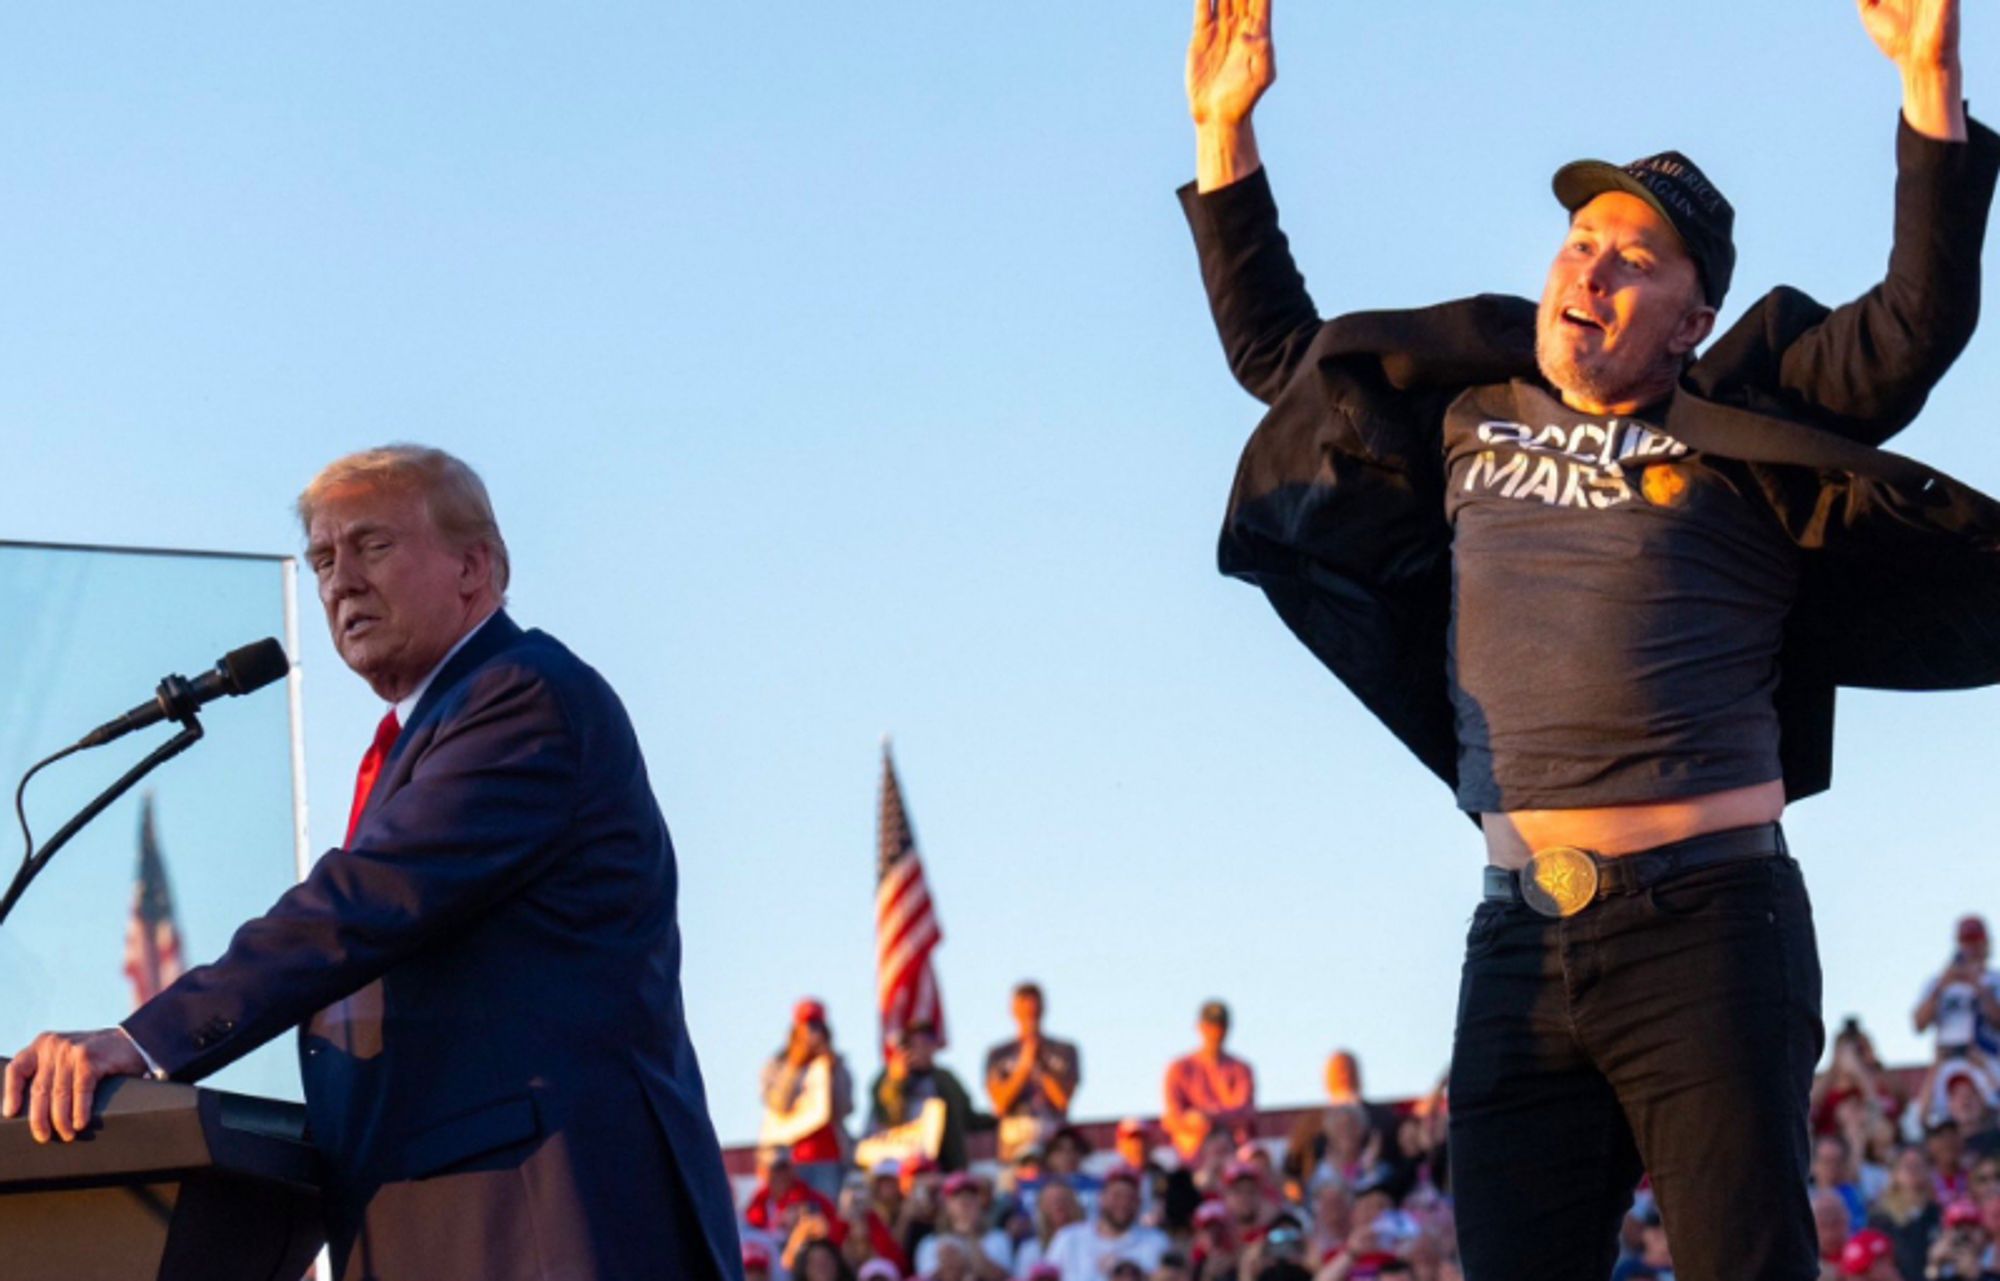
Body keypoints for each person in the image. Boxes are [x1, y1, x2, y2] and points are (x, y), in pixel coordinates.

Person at [1181, 0, 1999, 1275]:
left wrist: (1929, 88)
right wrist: (1224, 136)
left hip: (1709, 926)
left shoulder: (1737, 414)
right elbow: (1290, 363)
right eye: (1579, 241)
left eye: (1635, 257)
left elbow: (1911, 325)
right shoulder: (1469, 404)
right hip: (1515, 939)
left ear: (1687, 317)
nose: (1592, 268)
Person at [0, 445, 740, 1279]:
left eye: (372, 546)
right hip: (426, 1219)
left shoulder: (526, 696)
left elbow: (363, 903)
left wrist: (145, 1039)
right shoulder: (426, 735)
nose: (339, 580)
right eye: (322, 558)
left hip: (544, 1221)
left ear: (476, 566)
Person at [763, 997, 856, 1200]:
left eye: (816, 1027)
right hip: (789, 1157)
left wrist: (832, 1072)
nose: (812, 1034)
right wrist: (795, 1066)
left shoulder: (836, 1064)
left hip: (828, 1156)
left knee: (826, 1210)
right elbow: (777, 1103)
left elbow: (846, 1108)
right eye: (806, 1027)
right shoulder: (777, 1064)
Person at [867, 1017, 987, 1172]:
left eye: (927, 1043)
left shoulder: (946, 1079)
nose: (923, 1049)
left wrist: (998, 1119)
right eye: (916, 1044)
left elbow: (968, 1118)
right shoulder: (887, 1078)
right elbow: (889, 1117)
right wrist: (896, 1082)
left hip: (944, 1166)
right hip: (901, 1165)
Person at [985, 980, 1083, 1161]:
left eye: (1034, 1009)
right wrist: (1024, 1065)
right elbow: (999, 1104)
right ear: (1014, 1010)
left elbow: (1063, 1100)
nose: (1030, 1015)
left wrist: (1040, 1065)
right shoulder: (998, 1053)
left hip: (1053, 1133)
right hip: (1014, 1137)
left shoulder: (1065, 1050)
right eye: (1024, 1010)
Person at [1163, 1000, 1257, 1162]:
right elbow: (1173, 1117)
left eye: (1221, 1026)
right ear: (1200, 1027)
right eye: (1211, 1026)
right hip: (1193, 1155)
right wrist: (1196, 1121)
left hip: (1233, 1154)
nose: (1216, 1032)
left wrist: (1210, 1116)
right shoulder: (1179, 1068)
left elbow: (1245, 1112)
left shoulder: (1241, 1069)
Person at [1042, 1165, 1171, 1281]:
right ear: (1101, 1198)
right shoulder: (1069, 1238)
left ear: (1138, 1203)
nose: (1123, 1203)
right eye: (1117, 1196)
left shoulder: (1156, 1242)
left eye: (1130, 1197)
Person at [1916, 916, 2000, 1059]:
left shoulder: (1995, 980)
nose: (1972, 948)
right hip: (1949, 1061)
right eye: (1966, 942)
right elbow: (1919, 1024)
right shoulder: (1939, 981)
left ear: (1986, 944)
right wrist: (1941, 987)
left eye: (1976, 942)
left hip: (1990, 1060)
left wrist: (1978, 986)